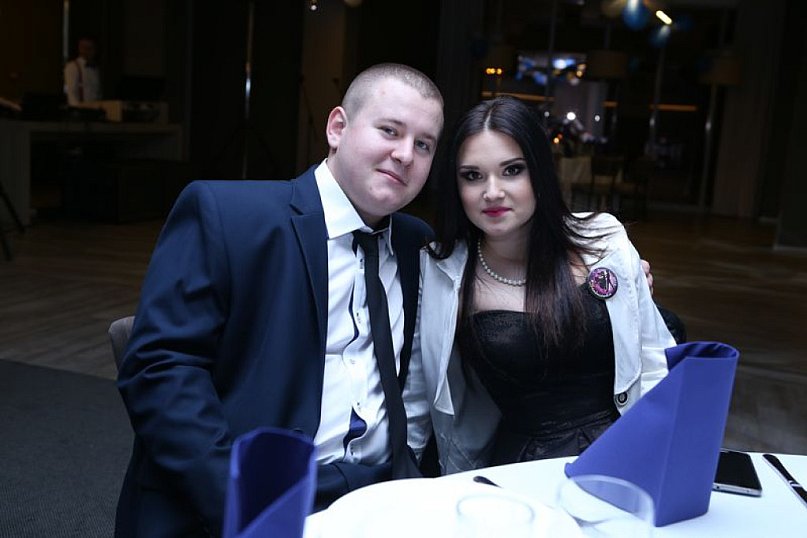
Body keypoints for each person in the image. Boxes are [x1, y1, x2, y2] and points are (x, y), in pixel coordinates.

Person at [115, 63, 442, 537]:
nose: (405, 154)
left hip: (382, 495)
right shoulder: (228, 215)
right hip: (251, 497)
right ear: (337, 128)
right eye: (389, 130)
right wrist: (243, 504)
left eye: (424, 144)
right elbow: (160, 368)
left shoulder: (416, 243)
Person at [415, 95, 675, 474]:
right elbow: (418, 391)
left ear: (539, 170)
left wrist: (659, 461)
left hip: (624, 457)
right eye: (472, 176)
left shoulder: (605, 241)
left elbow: (656, 363)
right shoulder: (441, 271)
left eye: (512, 170)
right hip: (520, 472)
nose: (492, 192)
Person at [63, 36, 102, 105]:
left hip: (95, 108)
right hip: (81, 109)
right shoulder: (72, 67)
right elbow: (71, 93)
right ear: (79, 49)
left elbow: (97, 92)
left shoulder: (95, 69)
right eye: (85, 48)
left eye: (91, 48)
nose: (88, 51)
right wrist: (78, 109)